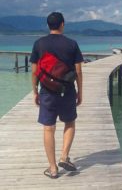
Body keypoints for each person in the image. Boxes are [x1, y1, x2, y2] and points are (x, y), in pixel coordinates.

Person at [30, 12, 83, 179]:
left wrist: (35, 91)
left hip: (47, 91)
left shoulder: (39, 44)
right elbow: (79, 71)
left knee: (48, 128)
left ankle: (53, 169)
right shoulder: (72, 44)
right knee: (70, 122)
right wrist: (80, 92)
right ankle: (64, 156)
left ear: (48, 26)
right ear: (62, 24)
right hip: (67, 91)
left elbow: (34, 72)